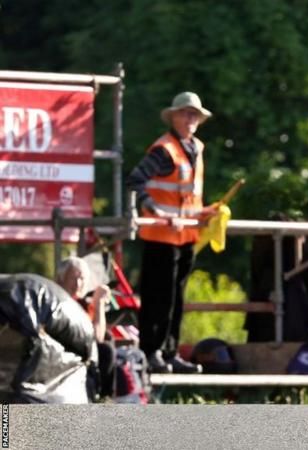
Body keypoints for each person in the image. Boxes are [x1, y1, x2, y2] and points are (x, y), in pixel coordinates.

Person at [126, 91, 217, 373]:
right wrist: (158, 211)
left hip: (185, 236)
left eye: (195, 115)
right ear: (174, 117)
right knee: (158, 297)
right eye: (186, 113)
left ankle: (169, 352)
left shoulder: (195, 148)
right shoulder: (163, 149)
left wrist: (204, 213)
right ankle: (151, 352)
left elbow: (187, 197)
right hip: (160, 237)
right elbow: (135, 181)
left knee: (176, 300)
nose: (191, 119)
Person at [56, 256, 115, 398]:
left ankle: (104, 395)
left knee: (108, 340)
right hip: (63, 353)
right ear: (60, 279)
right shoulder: (58, 301)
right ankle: (102, 396)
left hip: (82, 353)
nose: (77, 284)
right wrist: (98, 303)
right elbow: (95, 338)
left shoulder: (82, 304)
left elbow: (99, 337)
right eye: (72, 278)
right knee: (105, 349)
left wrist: (97, 304)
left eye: (81, 278)